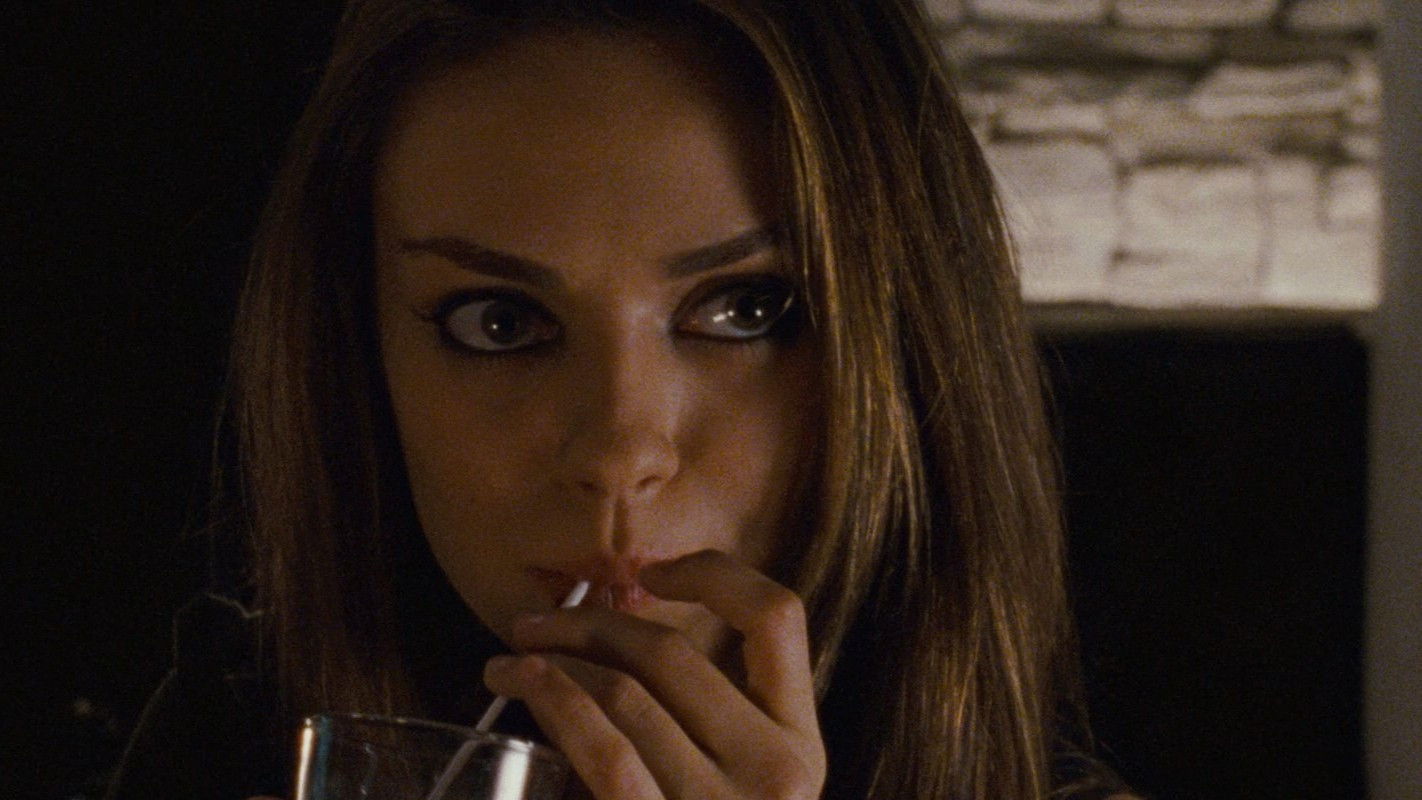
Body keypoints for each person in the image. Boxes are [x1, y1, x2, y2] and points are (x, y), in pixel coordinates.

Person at [108, 1, 1136, 798]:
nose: (618, 449)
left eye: (746, 310)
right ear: (357, 352)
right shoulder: (226, 740)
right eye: (497, 322)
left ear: (903, 346)